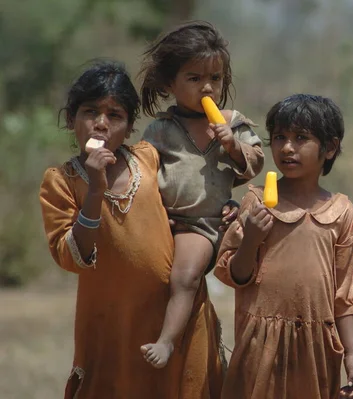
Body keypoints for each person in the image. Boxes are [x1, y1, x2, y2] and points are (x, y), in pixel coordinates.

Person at [39, 60, 231, 399]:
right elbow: (70, 256)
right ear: (71, 120)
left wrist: (227, 207)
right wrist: (95, 189)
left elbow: (193, 195)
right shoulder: (61, 181)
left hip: (175, 314)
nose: (101, 124)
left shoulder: (149, 158)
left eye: (115, 115)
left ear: (129, 127)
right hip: (112, 321)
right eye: (90, 112)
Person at [214, 94, 353, 399]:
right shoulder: (256, 202)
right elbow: (235, 275)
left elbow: (344, 294)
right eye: (279, 137)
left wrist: (352, 353)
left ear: (330, 147)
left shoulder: (341, 212)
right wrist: (251, 239)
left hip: (317, 345)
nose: (287, 148)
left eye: (301, 138)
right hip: (261, 340)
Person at [137, 21, 264, 368]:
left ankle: (167, 342)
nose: (207, 87)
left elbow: (255, 162)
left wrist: (233, 145)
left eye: (216, 78)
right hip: (162, 221)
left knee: (185, 277)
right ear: (170, 84)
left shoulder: (232, 121)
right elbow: (142, 170)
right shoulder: (162, 129)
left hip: (201, 224)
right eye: (194, 79)